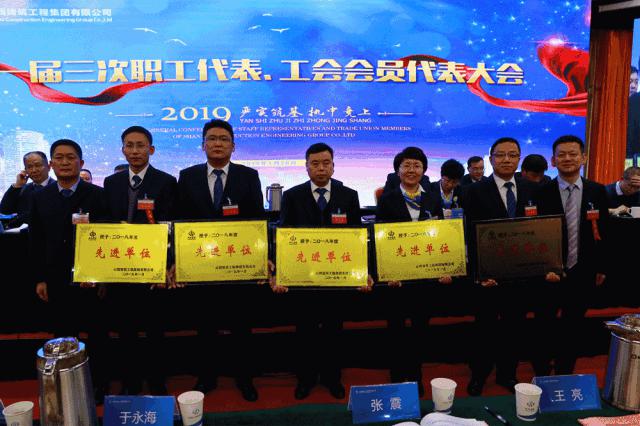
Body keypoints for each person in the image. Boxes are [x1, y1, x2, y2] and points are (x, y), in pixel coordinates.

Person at [177, 119, 264, 402]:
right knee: (205, 325)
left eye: (224, 139)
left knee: (241, 325)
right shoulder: (187, 176)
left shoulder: (248, 176)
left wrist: (261, 260)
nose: (217, 144)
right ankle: (207, 376)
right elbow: (180, 221)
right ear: (202, 145)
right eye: (212, 139)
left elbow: (257, 221)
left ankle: (244, 377)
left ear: (233, 146)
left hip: (237, 266)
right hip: (200, 265)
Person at [277, 142, 365, 401]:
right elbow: (284, 235)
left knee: (333, 331)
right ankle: (305, 379)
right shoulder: (292, 196)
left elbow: (358, 236)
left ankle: (332, 377)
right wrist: (281, 273)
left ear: (333, 166)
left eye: (326, 163)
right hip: (303, 279)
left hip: (337, 279)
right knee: (304, 331)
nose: (321, 168)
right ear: (306, 167)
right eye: (315, 164)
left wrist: (361, 271)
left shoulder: (349, 195)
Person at [29, 139, 108, 402]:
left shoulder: (97, 195)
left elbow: (107, 238)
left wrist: (102, 278)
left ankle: (99, 384)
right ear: (51, 164)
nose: (65, 162)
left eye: (70, 157)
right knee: (63, 333)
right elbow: (36, 240)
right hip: (56, 277)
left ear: (81, 163)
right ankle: (67, 386)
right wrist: (40, 278)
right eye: (59, 158)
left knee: (97, 332)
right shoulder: (39, 196)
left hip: (90, 277)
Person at [103, 126, 178, 396]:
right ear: (122, 149)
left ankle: (157, 380)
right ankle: (130, 381)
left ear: (151, 149)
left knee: (155, 329)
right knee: (126, 330)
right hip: (121, 269)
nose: (135, 151)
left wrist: (168, 264)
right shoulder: (111, 183)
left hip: (152, 268)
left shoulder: (166, 182)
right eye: (129, 145)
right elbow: (105, 224)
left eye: (141, 145)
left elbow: (172, 226)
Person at [462, 137, 537, 396]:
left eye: (512, 155)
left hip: (521, 274)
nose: (506, 159)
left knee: (514, 328)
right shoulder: (474, 191)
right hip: (488, 276)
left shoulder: (531, 188)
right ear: (491, 158)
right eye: (501, 155)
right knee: (484, 329)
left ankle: (507, 374)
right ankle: (479, 375)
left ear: (519, 159)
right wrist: (478, 272)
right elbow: (468, 233)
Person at [375, 146, 448, 396]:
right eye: (406, 165)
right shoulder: (387, 199)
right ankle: (397, 375)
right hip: (397, 279)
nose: (411, 170)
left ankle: (416, 375)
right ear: (397, 170)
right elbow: (380, 237)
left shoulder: (433, 199)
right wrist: (387, 272)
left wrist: (446, 266)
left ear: (424, 170)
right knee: (396, 328)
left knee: (419, 329)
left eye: (417, 166)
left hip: (424, 277)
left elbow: (442, 235)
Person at [534, 135, 609, 376]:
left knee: (573, 324)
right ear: (553, 160)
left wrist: (601, 267)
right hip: (549, 272)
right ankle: (542, 372)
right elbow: (534, 235)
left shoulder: (597, 191)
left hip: (583, 270)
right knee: (544, 323)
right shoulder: (540, 192)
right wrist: (542, 268)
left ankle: (565, 372)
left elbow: (604, 231)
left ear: (583, 158)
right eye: (562, 154)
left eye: (573, 154)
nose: (567, 158)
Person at [0, 151, 55, 228]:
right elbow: (5, 211)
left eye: (38, 165)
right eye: (29, 167)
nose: (34, 170)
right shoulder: (23, 189)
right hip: (22, 234)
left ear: (49, 167)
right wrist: (17, 185)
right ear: (25, 170)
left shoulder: (58, 188)